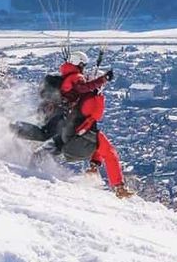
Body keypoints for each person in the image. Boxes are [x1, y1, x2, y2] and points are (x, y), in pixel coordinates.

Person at [55, 51, 132, 198]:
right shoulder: (91, 96)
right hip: (83, 129)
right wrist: (101, 81)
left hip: (79, 128)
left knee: (100, 145)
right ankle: (119, 188)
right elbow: (94, 115)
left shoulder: (79, 90)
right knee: (110, 153)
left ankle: (94, 167)